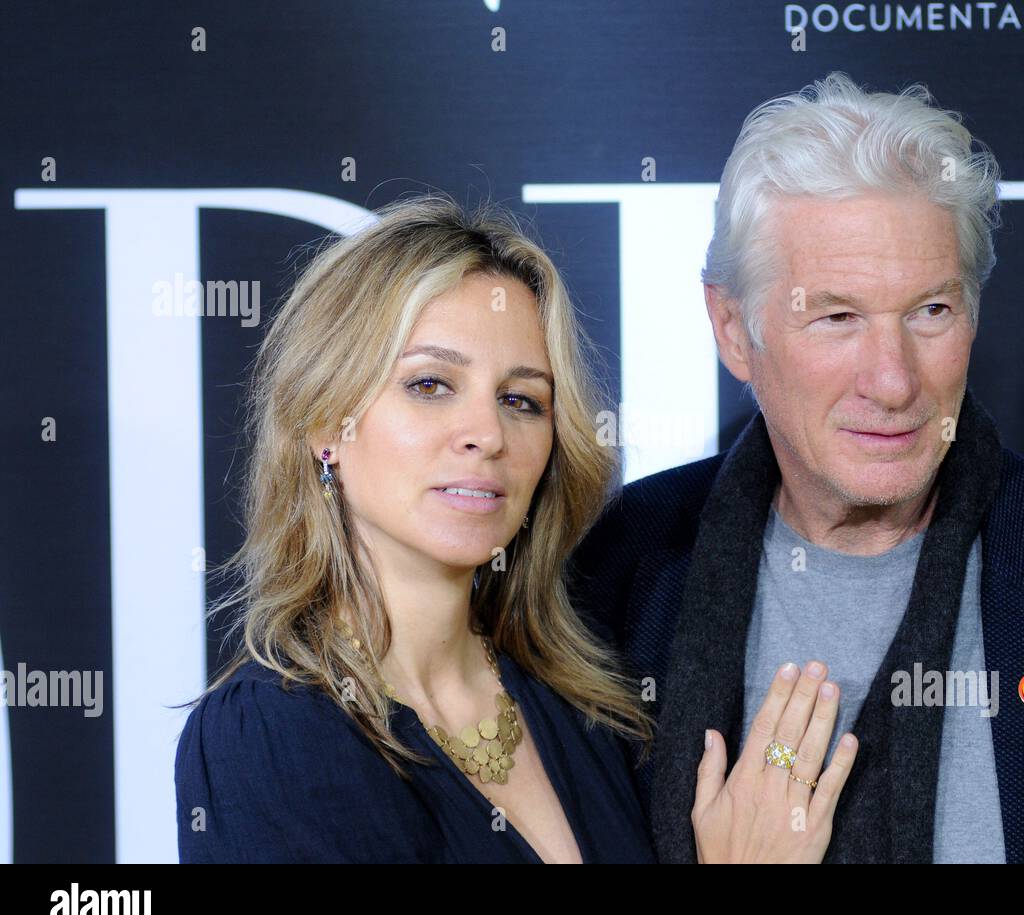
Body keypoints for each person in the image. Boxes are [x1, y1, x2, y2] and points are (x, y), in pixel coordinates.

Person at [568, 72, 1024, 863]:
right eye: (838, 316)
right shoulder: (609, 585)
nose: (893, 380)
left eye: (930, 311)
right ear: (733, 327)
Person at [174, 193, 857, 863]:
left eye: (520, 399)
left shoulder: (582, 702)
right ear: (326, 423)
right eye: (429, 384)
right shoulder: (269, 736)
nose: (487, 434)